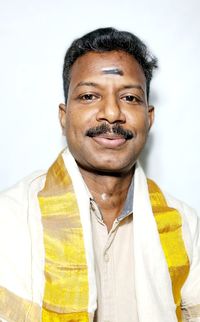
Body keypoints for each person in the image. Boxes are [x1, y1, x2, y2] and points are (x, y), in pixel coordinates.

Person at [0, 27, 199, 322]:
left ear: (149, 116)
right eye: (90, 95)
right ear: (64, 116)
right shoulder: (10, 218)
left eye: (130, 98)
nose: (111, 113)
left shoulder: (183, 225)